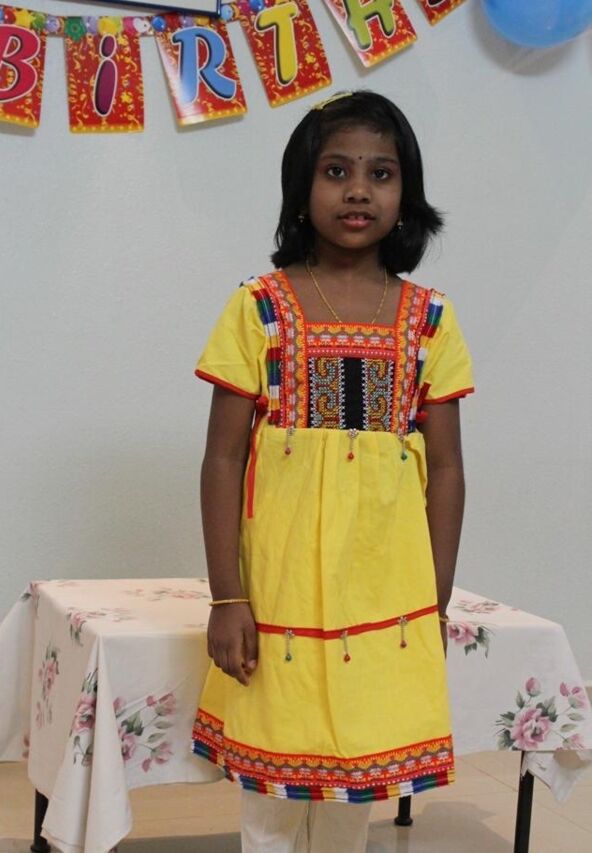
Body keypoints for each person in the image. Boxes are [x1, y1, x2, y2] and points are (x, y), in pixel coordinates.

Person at [191, 90, 474, 852]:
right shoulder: (259, 308)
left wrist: (435, 596)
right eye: (336, 171)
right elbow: (223, 457)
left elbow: (447, 468)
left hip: (387, 596)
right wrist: (228, 594)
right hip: (280, 590)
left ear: (406, 192)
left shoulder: (431, 320)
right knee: (273, 801)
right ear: (301, 186)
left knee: (357, 785)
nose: (358, 190)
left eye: (381, 173)